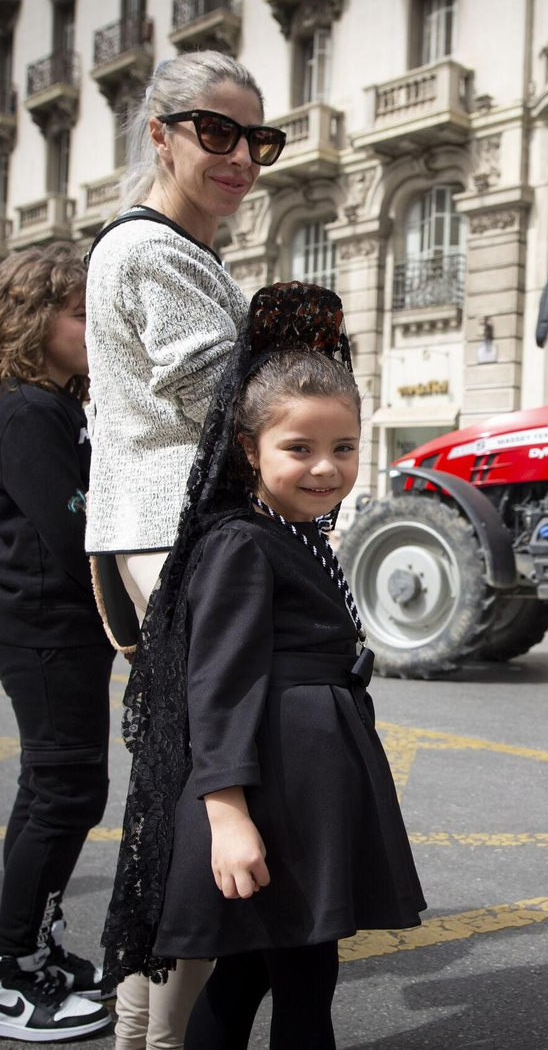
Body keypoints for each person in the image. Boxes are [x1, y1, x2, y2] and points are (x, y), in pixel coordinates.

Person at [100, 283, 424, 1050]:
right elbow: (218, 684)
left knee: (253, 972)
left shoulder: (295, 532)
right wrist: (229, 814)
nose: (326, 468)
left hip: (306, 779)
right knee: (304, 985)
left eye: (344, 448)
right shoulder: (243, 543)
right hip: (273, 788)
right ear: (250, 449)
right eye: (299, 448)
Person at [83, 51, 282, 1049]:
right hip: (181, 537)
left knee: (174, 790)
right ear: (158, 133)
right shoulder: (151, 252)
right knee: (216, 789)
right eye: (217, 131)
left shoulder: (187, 253)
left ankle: (138, 1031)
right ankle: (163, 1038)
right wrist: (308, 372)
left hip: (177, 534)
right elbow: (225, 398)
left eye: (257, 139)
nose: (241, 154)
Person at [0, 244, 115, 1041]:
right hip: (46, 630)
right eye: (82, 314)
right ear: (31, 322)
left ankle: (28, 949)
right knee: (66, 792)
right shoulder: (27, 410)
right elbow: (73, 527)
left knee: (52, 788)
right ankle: (4, 973)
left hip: (53, 630)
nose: (98, 328)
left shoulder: (52, 405)